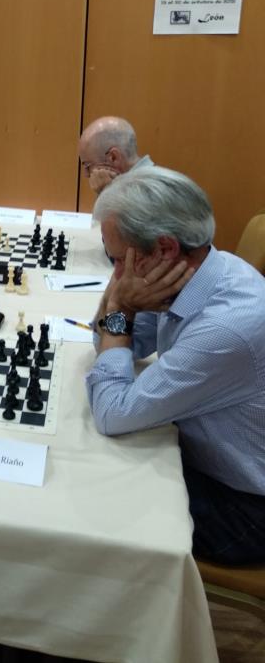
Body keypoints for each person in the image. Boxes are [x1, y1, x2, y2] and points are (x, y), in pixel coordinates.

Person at [86, 166, 265, 565]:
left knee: (91, 501)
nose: (117, 275)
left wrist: (121, 306)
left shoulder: (226, 327)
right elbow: (110, 341)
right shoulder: (199, 273)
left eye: (118, 260)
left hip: (244, 509)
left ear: (164, 249)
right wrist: (120, 309)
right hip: (206, 459)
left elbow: (112, 412)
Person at [78, 116, 154, 196]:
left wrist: (107, 192)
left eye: (87, 165)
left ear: (113, 157)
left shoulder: (147, 191)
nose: (86, 174)